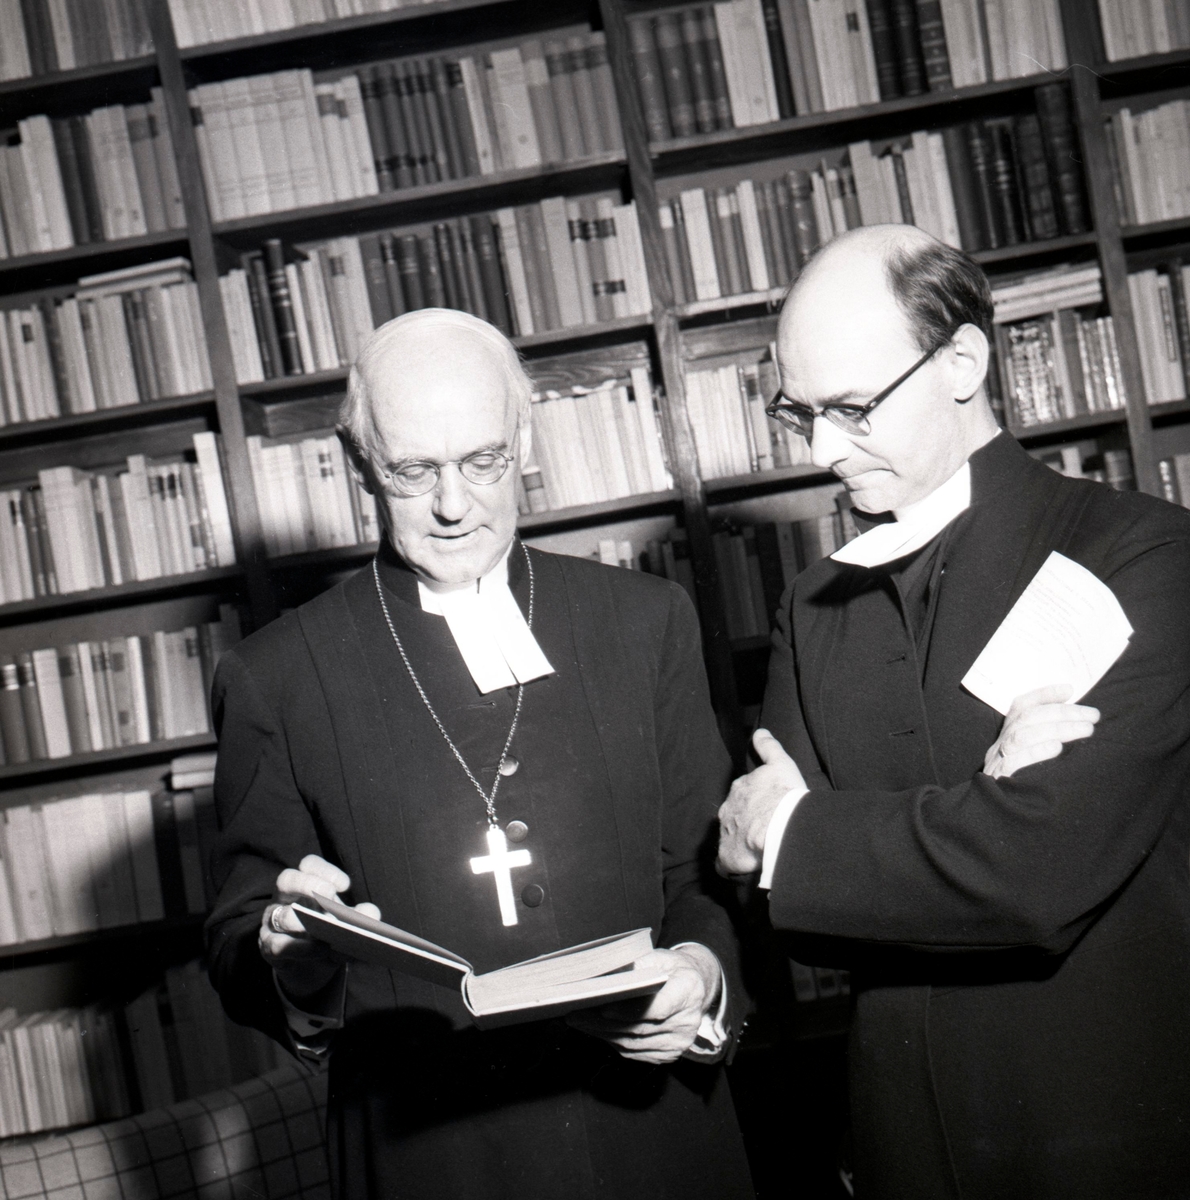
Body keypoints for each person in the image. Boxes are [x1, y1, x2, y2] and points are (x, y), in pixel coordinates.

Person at [205, 308, 752, 1200]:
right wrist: (294, 964)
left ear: (524, 439)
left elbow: (704, 875)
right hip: (432, 1157)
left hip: (657, 1141)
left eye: (483, 461)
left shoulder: (643, 621)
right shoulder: (274, 677)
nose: (453, 505)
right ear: (359, 463)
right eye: (413, 471)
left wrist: (700, 973)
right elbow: (239, 935)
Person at [717, 225, 1190, 1198]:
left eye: (852, 409)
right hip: (902, 1151)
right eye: (800, 413)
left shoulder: (1142, 554)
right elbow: (799, 923)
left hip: (1110, 1141)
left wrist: (793, 834)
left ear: (962, 362)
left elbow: (1034, 875)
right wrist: (981, 801)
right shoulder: (814, 606)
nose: (820, 451)